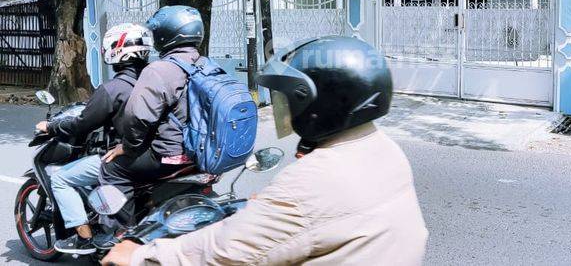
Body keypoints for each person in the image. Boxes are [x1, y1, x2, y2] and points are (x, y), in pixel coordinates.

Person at [102, 35, 429, 266]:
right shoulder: (381, 148)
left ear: (317, 103)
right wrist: (274, 208)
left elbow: (225, 250)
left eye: (288, 99)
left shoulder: (312, 182)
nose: (281, 109)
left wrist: (141, 255)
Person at [34, 23, 153, 255]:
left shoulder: (113, 89)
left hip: (125, 157)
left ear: (116, 50)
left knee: (60, 179)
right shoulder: (154, 81)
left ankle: (83, 238)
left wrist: (51, 126)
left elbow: (82, 123)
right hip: (156, 154)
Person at [99, 5, 204, 225]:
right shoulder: (206, 65)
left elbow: (137, 118)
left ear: (166, 36)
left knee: (111, 168)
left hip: (171, 155)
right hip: (202, 152)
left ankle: (121, 233)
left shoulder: (160, 70)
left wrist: (127, 147)